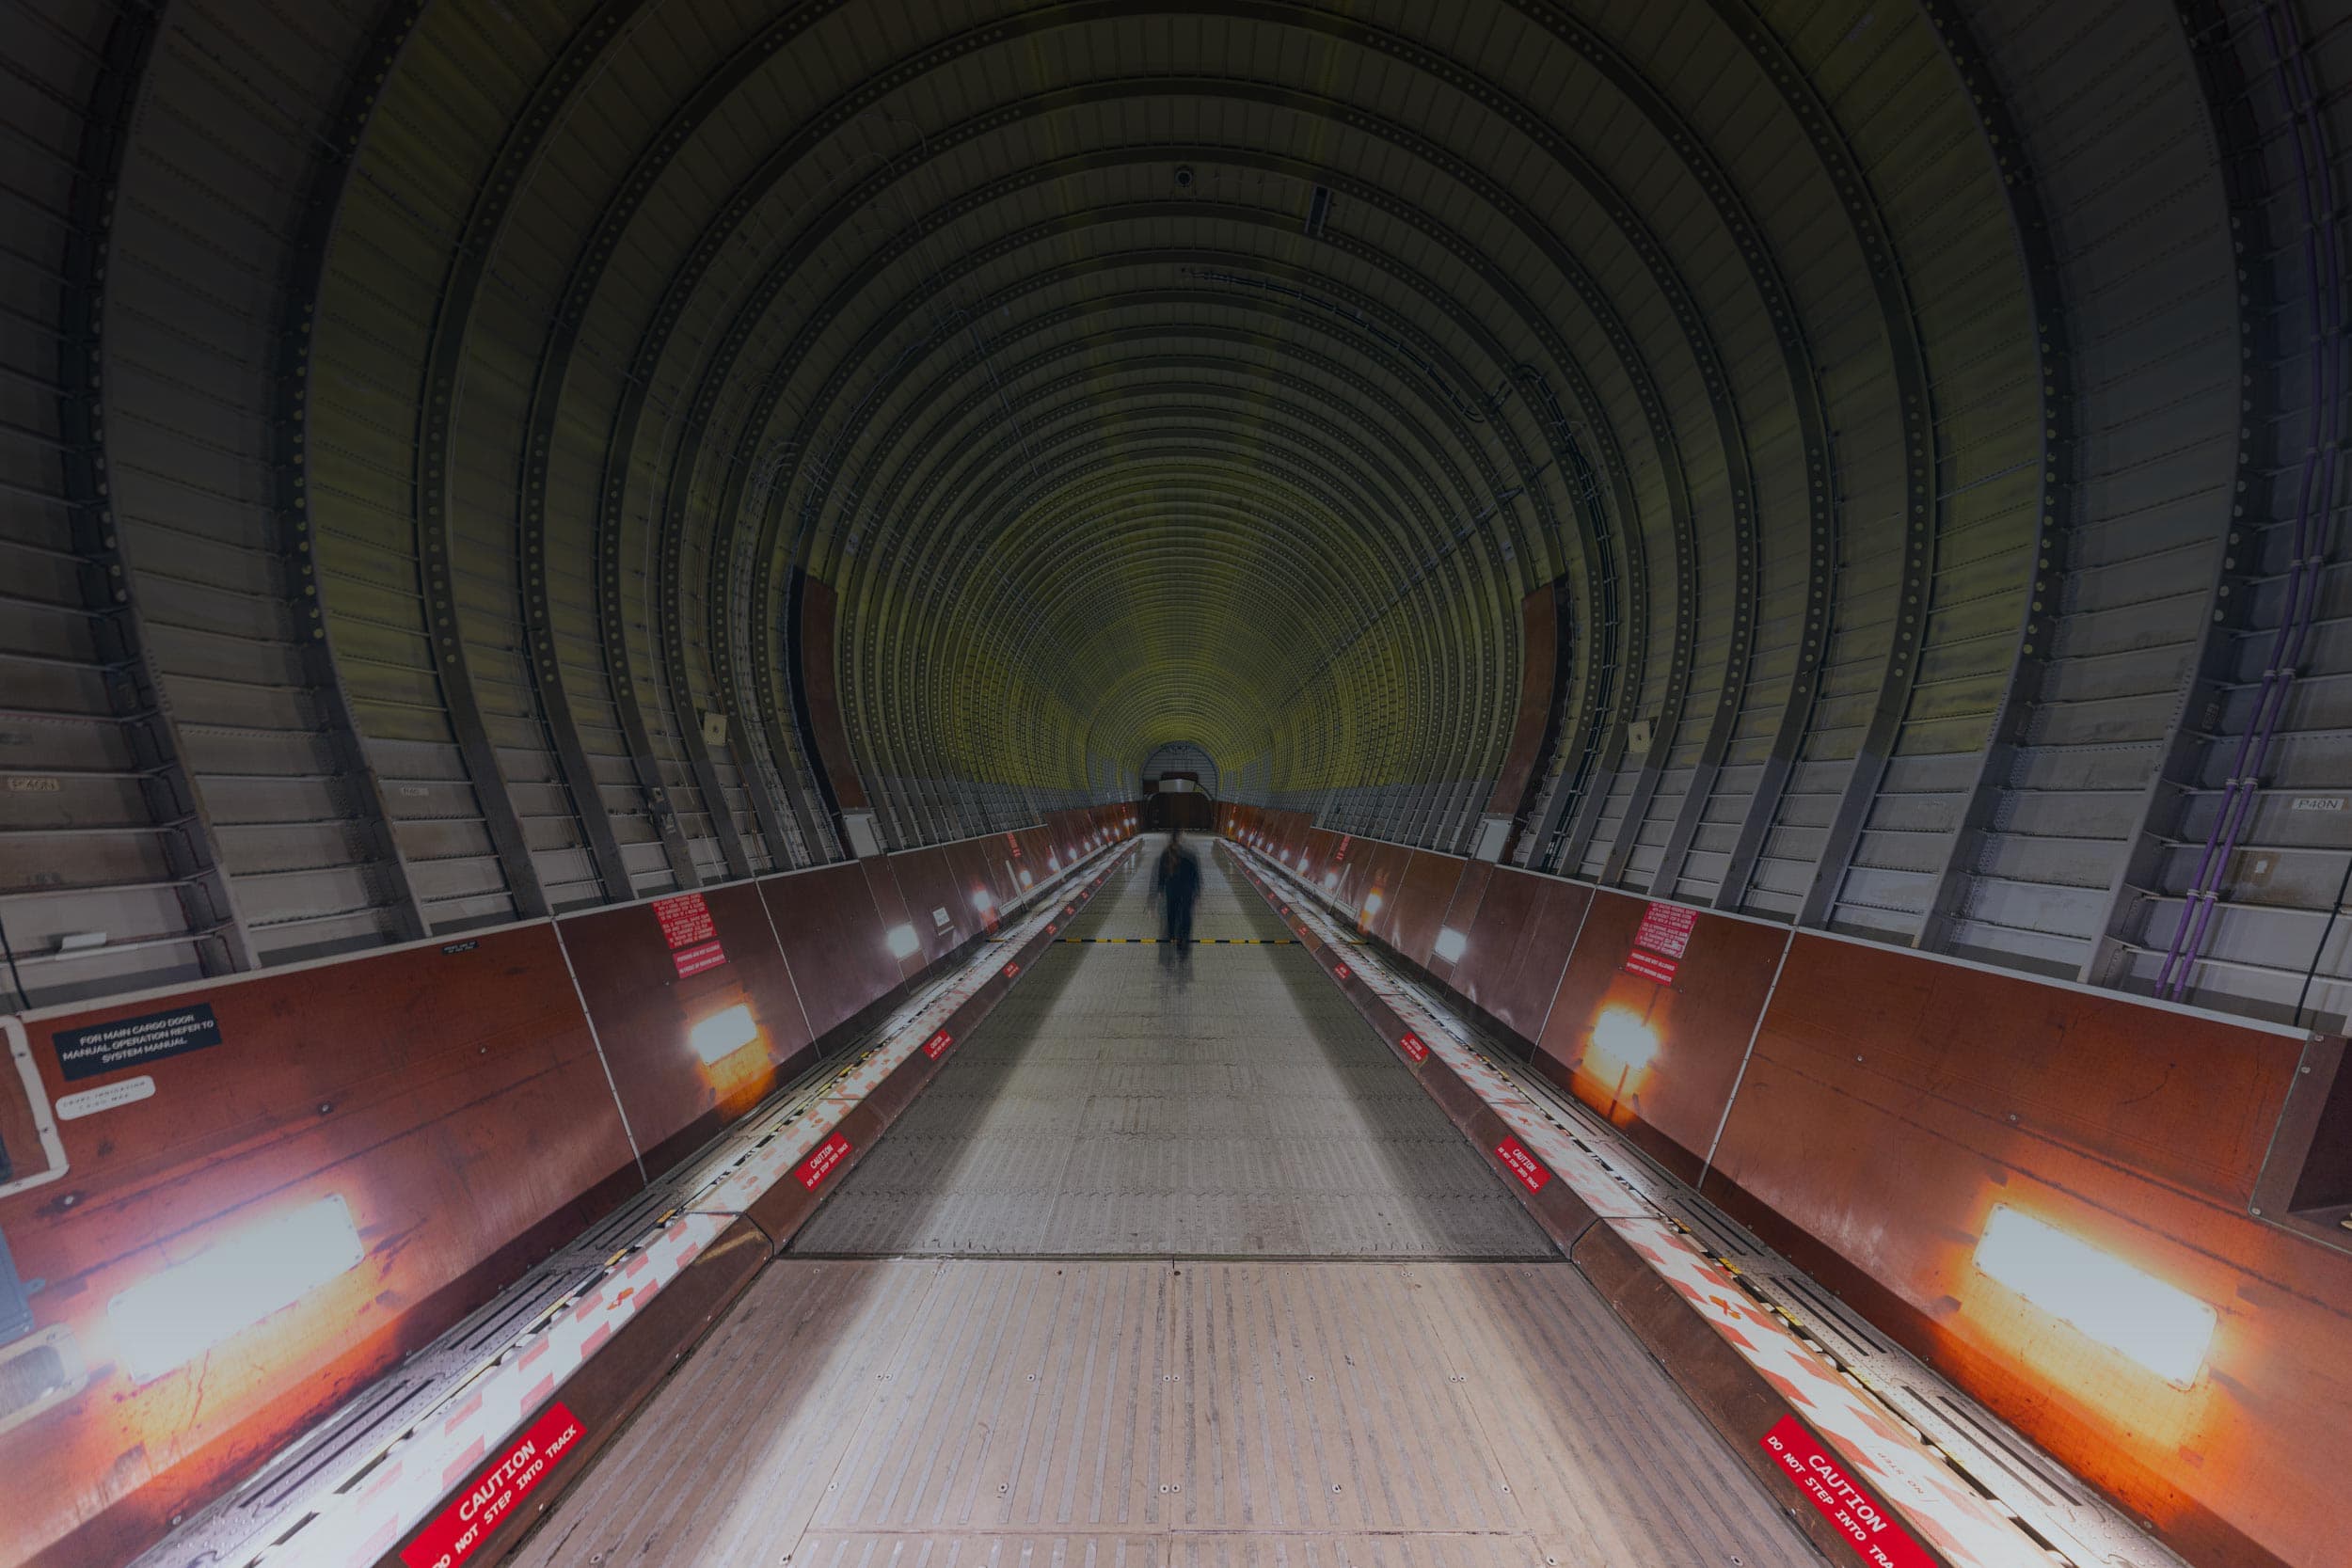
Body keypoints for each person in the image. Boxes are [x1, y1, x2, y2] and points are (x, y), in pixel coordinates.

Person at [1152, 826, 1201, 963]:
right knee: (1185, 916)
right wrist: (1197, 893)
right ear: (1180, 837)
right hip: (1187, 891)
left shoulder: (1166, 854)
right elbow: (1195, 874)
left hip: (1172, 890)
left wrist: (1160, 891)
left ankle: (1172, 939)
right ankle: (1182, 944)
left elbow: (1161, 875)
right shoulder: (1189, 853)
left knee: (1172, 915)